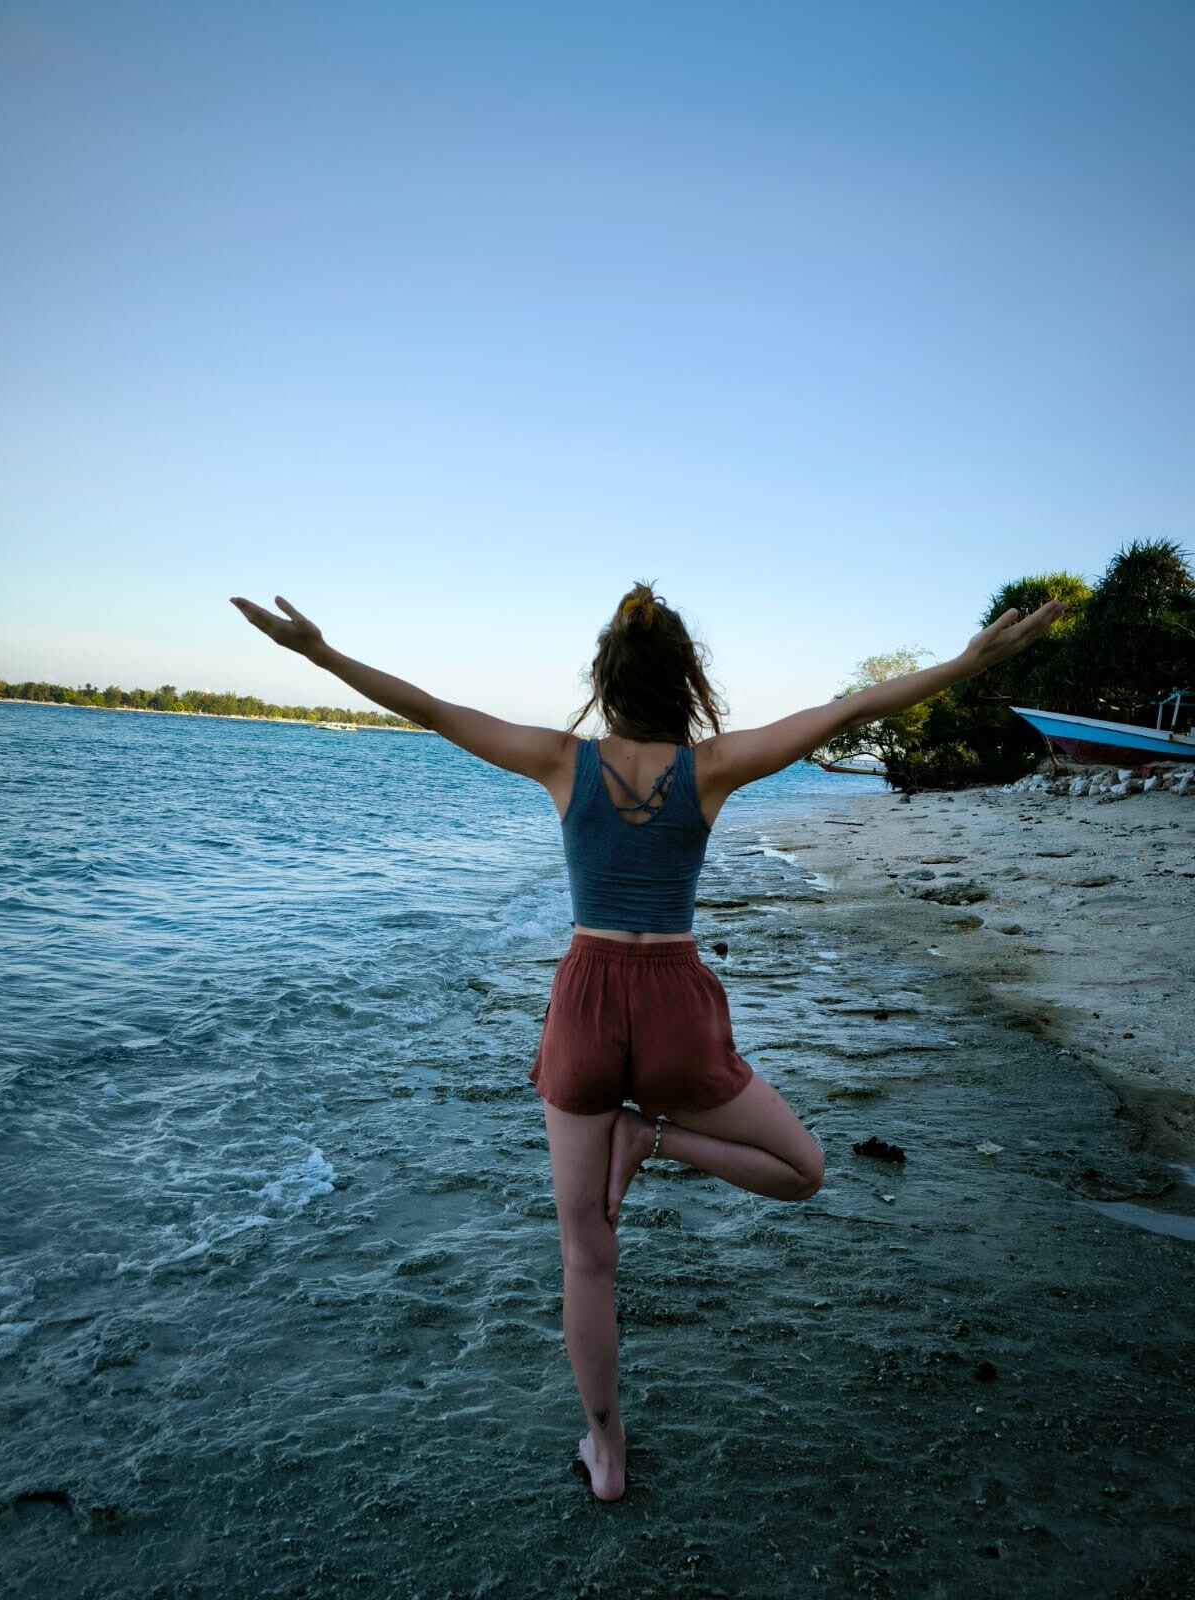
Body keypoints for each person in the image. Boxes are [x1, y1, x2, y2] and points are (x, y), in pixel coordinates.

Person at [231, 581, 1064, 1503]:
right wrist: (965, 663)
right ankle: (653, 1138)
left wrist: (319, 653)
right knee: (803, 1171)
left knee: (587, 1255)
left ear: (605, 679)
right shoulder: (711, 769)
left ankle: (607, 1451)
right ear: (685, 681)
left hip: (586, 1004)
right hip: (674, 1007)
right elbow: (850, 710)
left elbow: (429, 708)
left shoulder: (562, 762)